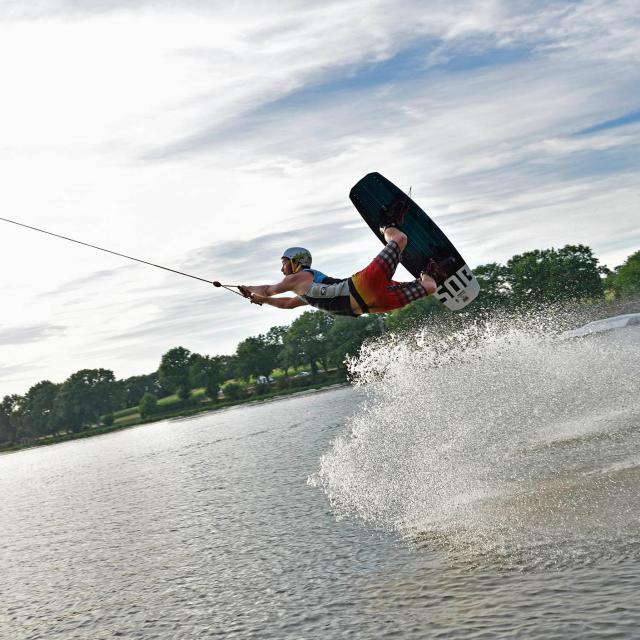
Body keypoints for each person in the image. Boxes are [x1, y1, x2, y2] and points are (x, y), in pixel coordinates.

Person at [239, 207, 440, 316]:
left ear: (295, 261)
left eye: (284, 262)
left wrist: (249, 288)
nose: (282, 269)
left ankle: (386, 224)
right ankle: (429, 269)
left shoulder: (301, 277)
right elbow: (289, 304)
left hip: (362, 288)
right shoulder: (305, 291)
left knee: (400, 239)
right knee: (430, 286)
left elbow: (268, 289)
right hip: (370, 304)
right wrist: (264, 301)